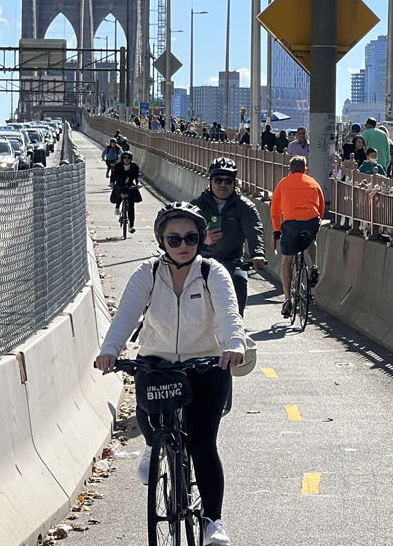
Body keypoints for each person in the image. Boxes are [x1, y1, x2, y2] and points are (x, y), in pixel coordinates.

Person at [95, 202, 245, 546]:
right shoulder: (147, 273)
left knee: (203, 443)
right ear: (162, 240)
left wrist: (234, 344)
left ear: (201, 238)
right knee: (148, 417)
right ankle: (153, 445)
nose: (183, 245)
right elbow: (127, 314)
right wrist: (110, 350)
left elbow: (228, 312)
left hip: (205, 364)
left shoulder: (212, 272)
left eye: (191, 238)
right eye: (174, 239)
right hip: (157, 362)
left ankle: (212, 522)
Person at [191, 158, 266, 317]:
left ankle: (235, 326)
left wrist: (257, 254)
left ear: (234, 183)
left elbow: (254, 230)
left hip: (232, 261)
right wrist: (203, 238)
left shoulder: (244, 206)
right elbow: (184, 229)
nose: (222, 185)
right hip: (202, 260)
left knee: (239, 282)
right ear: (211, 181)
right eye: (218, 180)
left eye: (228, 181)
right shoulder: (197, 206)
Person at [270, 156, 324, 318]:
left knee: (287, 260)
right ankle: (314, 266)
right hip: (312, 222)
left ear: (290, 170)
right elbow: (321, 208)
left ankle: (287, 300)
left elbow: (275, 211)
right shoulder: (313, 182)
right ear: (305, 170)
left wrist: (277, 230)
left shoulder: (283, 183)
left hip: (292, 224)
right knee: (311, 240)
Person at [109, 151, 141, 234]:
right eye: (125, 158)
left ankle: (131, 226)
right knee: (119, 194)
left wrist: (138, 183)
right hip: (120, 184)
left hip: (130, 185)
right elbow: (114, 175)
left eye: (128, 158)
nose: (126, 160)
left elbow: (137, 176)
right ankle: (117, 207)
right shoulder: (118, 166)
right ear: (122, 159)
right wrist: (112, 183)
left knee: (131, 206)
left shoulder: (134, 166)